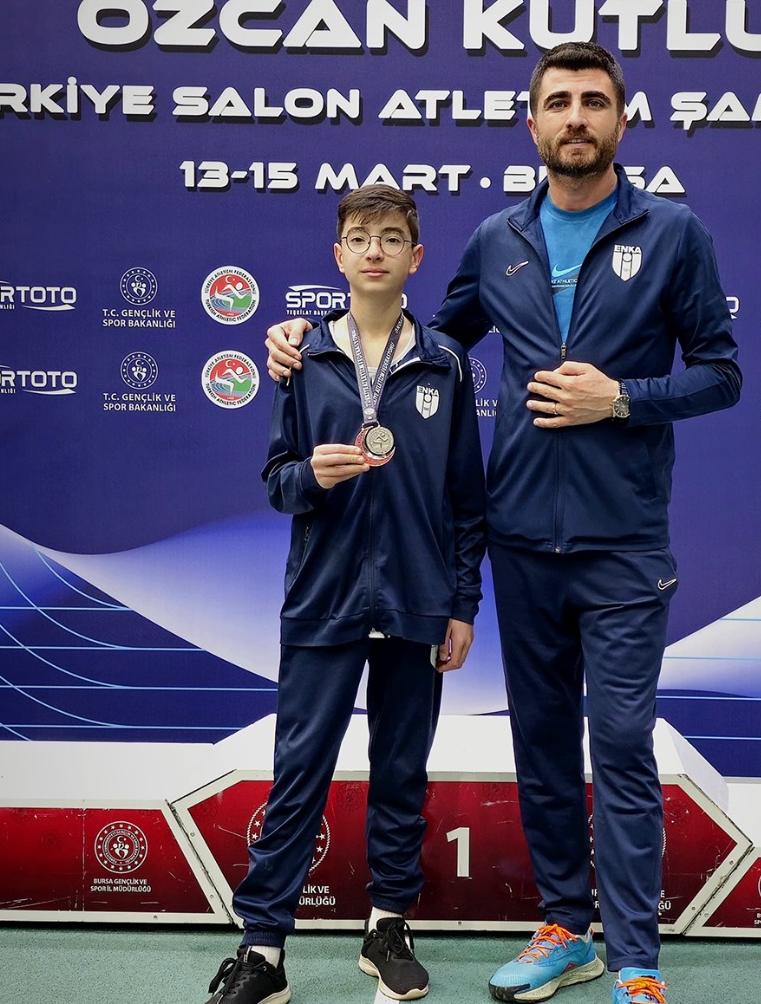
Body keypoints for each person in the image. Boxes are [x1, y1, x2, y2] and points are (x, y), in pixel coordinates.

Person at [265, 42, 741, 1004]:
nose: (576, 118)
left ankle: (637, 962)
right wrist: (307, 337)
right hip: (522, 541)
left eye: (594, 102)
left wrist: (622, 398)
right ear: (533, 125)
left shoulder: (674, 233)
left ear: (621, 120)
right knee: (543, 746)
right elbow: (416, 342)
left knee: (620, 743)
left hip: (623, 542)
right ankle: (567, 929)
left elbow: (721, 373)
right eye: (558, 102)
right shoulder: (497, 239)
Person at [209, 184, 487, 1004]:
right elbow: (276, 481)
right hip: (323, 598)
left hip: (416, 601)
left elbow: (467, 501)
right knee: (298, 772)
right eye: (360, 237)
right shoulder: (302, 358)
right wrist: (311, 476)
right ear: (338, 256)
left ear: (415, 257)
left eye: (392, 237)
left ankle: (387, 925)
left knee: (402, 772)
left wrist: (462, 604)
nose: (375, 250)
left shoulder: (445, 364)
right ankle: (263, 949)